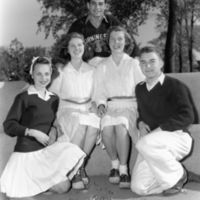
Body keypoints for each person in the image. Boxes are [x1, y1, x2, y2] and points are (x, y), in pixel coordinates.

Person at [0, 57, 86, 198]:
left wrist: (53, 128)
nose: (43, 77)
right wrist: (31, 132)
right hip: (25, 155)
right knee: (19, 195)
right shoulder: (23, 97)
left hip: (44, 154)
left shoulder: (54, 98)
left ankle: (38, 186)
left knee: (64, 186)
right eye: (39, 74)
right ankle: (31, 186)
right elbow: (9, 125)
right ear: (32, 74)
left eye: (46, 74)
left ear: (50, 75)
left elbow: (49, 120)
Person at [131, 46, 194, 196]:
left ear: (161, 63)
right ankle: (174, 175)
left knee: (142, 143)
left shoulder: (175, 86)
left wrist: (161, 129)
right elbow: (142, 114)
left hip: (177, 137)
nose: (148, 66)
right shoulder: (139, 89)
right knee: (138, 188)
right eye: (143, 62)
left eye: (152, 61)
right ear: (139, 66)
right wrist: (139, 123)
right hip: (153, 145)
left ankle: (178, 176)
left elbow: (188, 116)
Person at [94, 26, 145, 189]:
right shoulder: (102, 65)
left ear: (125, 41)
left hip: (130, 106)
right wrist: (101, 104)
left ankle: (124, 170)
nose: (116, 42)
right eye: (113, 39)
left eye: (120, 39)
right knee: (107, 129)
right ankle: (114, 165)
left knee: (121, 126)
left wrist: (144, 110)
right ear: (108, 42)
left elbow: (142, 87)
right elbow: (99, 91)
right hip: (111, 105)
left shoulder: (133, 63)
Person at [49, 32, 100, 190]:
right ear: (67, 49)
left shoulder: (92, 69)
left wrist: (96, 104)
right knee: (80, 122)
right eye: (73, 46)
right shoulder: (62, 71)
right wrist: (53, 119)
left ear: (84, 47)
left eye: (80, 45)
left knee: (95, 123)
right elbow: (52, 96)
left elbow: (98, 93)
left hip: (86, 107)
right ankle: (77, 170)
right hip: (68, 109)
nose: (77, 48)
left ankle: (79, 166)